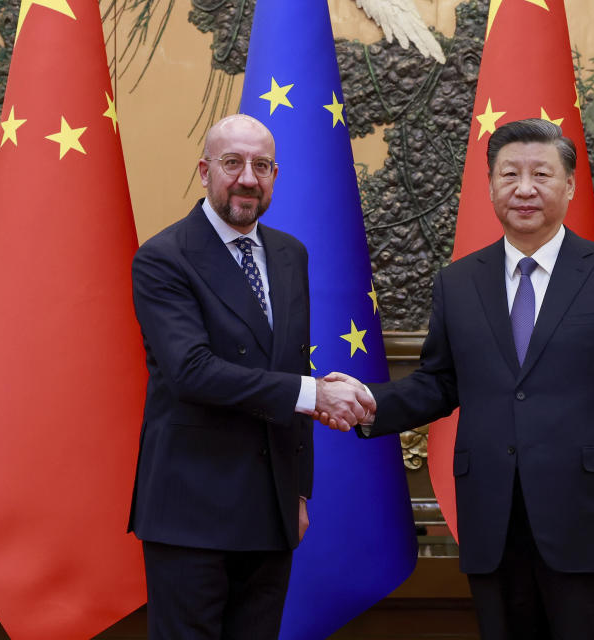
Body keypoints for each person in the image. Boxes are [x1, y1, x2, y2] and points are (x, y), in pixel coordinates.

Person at [320, 118, 594, 640]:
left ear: (570, 185)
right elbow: (439, 382)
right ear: (489, 185)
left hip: (591, 520)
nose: (525, 188)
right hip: (494, 520)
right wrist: (369, 400)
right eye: (509, 174)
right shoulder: (459, 282)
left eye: (541, 174)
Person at [128, 114, 373, 639]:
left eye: (261, 166)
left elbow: (290, 367)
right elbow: (191, 372)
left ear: (275, 175)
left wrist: (298, 494)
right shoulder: (162, 258)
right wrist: (314, 394)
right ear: (203, 170)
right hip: (191, 511)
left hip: (270, 507)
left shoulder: (289, 255)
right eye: (232, 163)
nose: (247, 178)